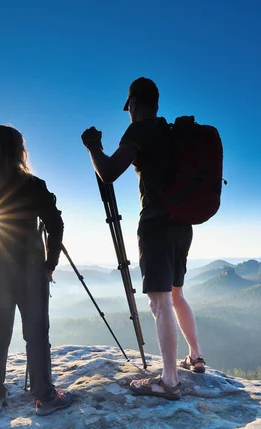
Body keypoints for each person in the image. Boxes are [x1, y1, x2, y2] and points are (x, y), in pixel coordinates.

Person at [81, 78, 205, 401]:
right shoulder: (169, 132)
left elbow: (108, 172)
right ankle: (196, 356)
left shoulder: (139, 131)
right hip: (183, 225)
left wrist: (93, 147)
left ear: (133, 104)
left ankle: (169, 381)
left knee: (159, 302)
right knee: (177, 295)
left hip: (157, 225)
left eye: (129, 107)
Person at [0, 125, 74, 416]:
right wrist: (50, 263)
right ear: (21, 151)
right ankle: (44, 398)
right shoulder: (34, 185)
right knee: (35, 334)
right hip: (30, 269)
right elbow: (55, 225)